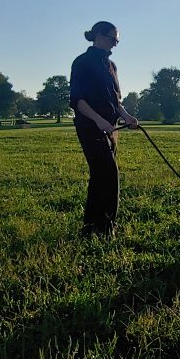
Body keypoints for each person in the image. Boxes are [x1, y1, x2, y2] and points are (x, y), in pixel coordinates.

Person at [69, 21, 138, 237]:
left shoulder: (111, 66)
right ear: (99, 35)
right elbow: (77, 100)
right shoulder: (82, 63)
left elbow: (115, 100)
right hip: (90, 127)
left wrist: (126, 116)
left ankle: (90, 227)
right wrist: (99, 121)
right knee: (109, 175)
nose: (115, 44)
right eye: (112, 39)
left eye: (118, 41)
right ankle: (107, 229)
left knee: (99, 176)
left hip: (111, 128)